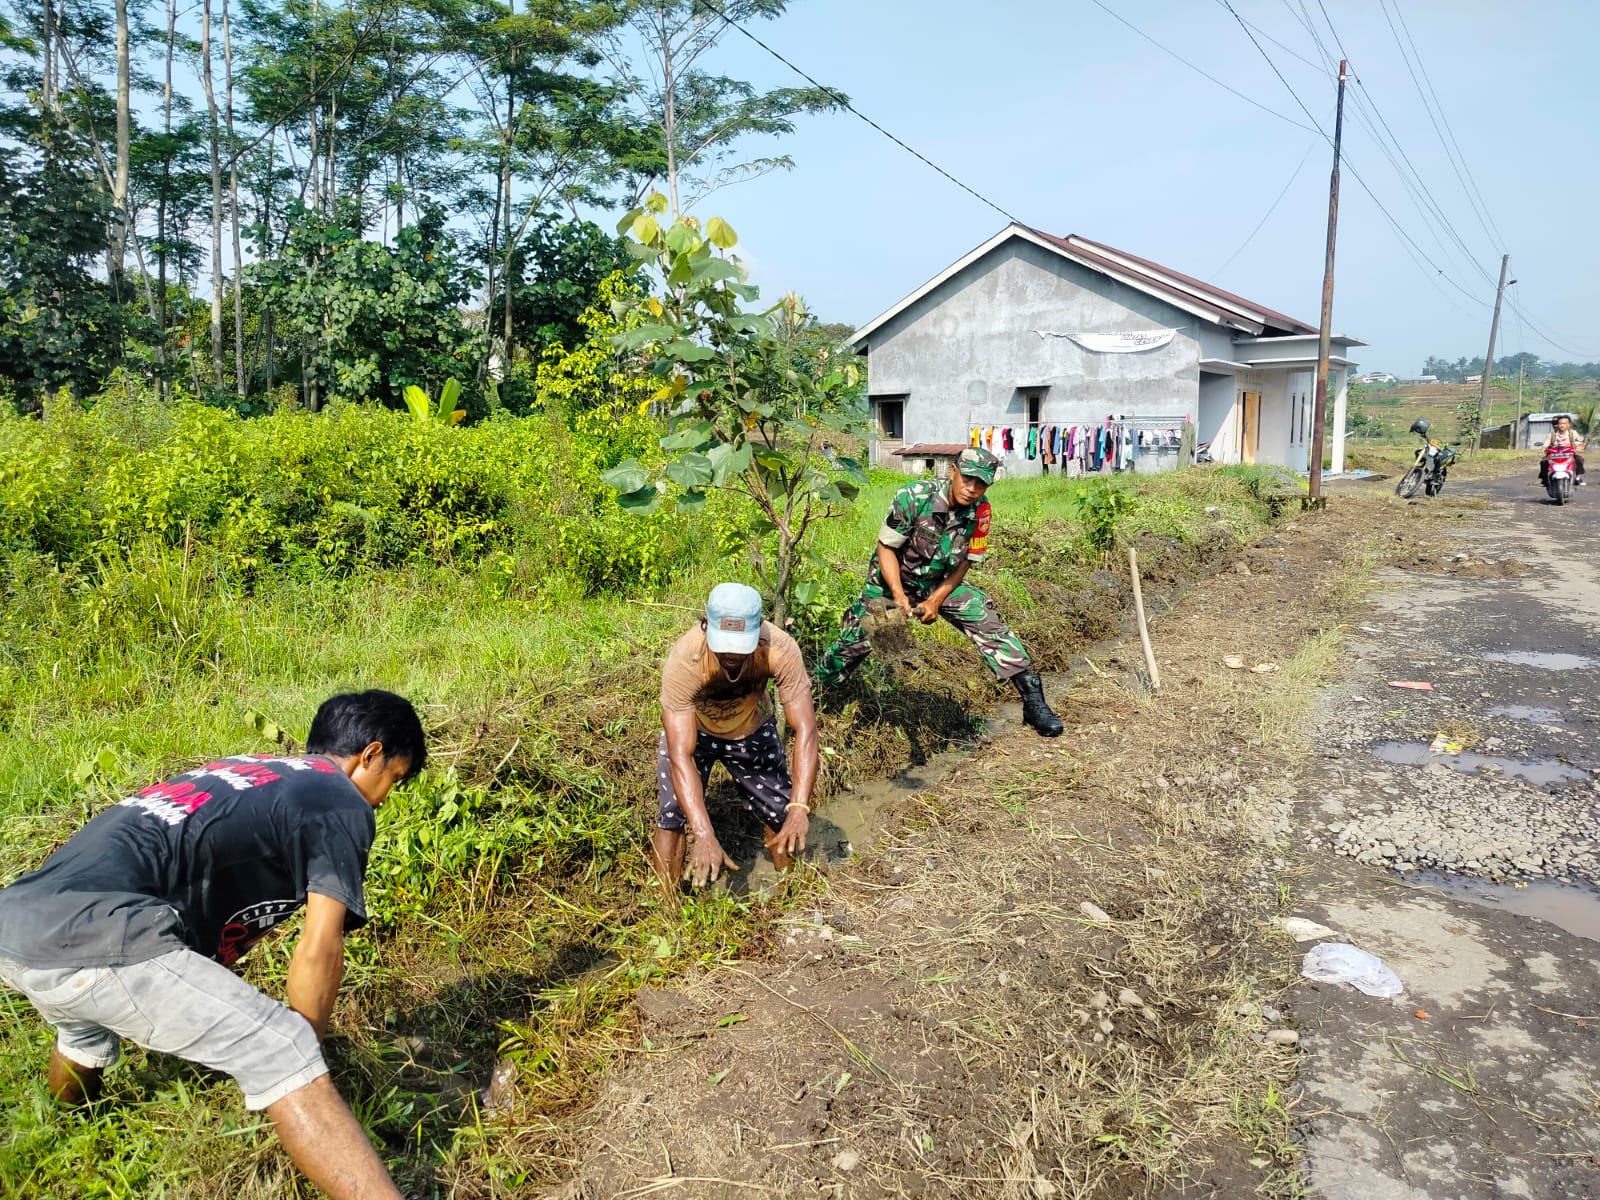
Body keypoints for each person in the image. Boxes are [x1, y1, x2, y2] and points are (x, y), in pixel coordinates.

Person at [0, 690, 427, 1200]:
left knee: (85, 1033)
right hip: (100, 931)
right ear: (370, 754)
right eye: (392, 780)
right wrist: (305, 1064)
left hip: (19, 924)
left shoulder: (252, 769)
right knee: (283, 1045)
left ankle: (68, 1138)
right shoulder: (341, 799)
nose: (381, 798)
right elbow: (320, 946)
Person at [813, 446, 1064, 737]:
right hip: (889, 581)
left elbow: (967, 561)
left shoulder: (981, 511)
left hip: (937, 582)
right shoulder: (915, 496)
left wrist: (935, 600)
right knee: (864, 644)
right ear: (953, 472)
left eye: (981, 483)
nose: (972, 489)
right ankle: (813, 694)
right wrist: (897, 595)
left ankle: (1033, 701)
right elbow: (886, 549)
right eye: (968, 479)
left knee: (982, 613)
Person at [654, 583, 819, 891]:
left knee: (780, 810)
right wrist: (703, 832)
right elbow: (680, 755)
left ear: (759, 630)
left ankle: (791, 894)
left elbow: (806, 729)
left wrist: (799, 807)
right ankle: (665, 910)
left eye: (740, 645)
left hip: (750, 727)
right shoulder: (685, 660)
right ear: (706, 625)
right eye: (724, 644)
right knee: (671, 815)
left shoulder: (779, 649)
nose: (731, 654)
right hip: (696, 731)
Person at [1540, 414, 1586, 486]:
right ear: (1557, 424)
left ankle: (1578, 478)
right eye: (1560, 423)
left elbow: (1579, 442)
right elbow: (1546, 444)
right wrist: (1543, 448)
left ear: (1568, 424)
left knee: (1579, 460)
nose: (1562, 425)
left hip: (1569, 454)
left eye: (1564, 423)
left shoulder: (1573, 433)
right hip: (1553, 455)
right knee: (1544, 462)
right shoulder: (1552, 435)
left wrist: (1579, 447)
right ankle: (1545, 479)